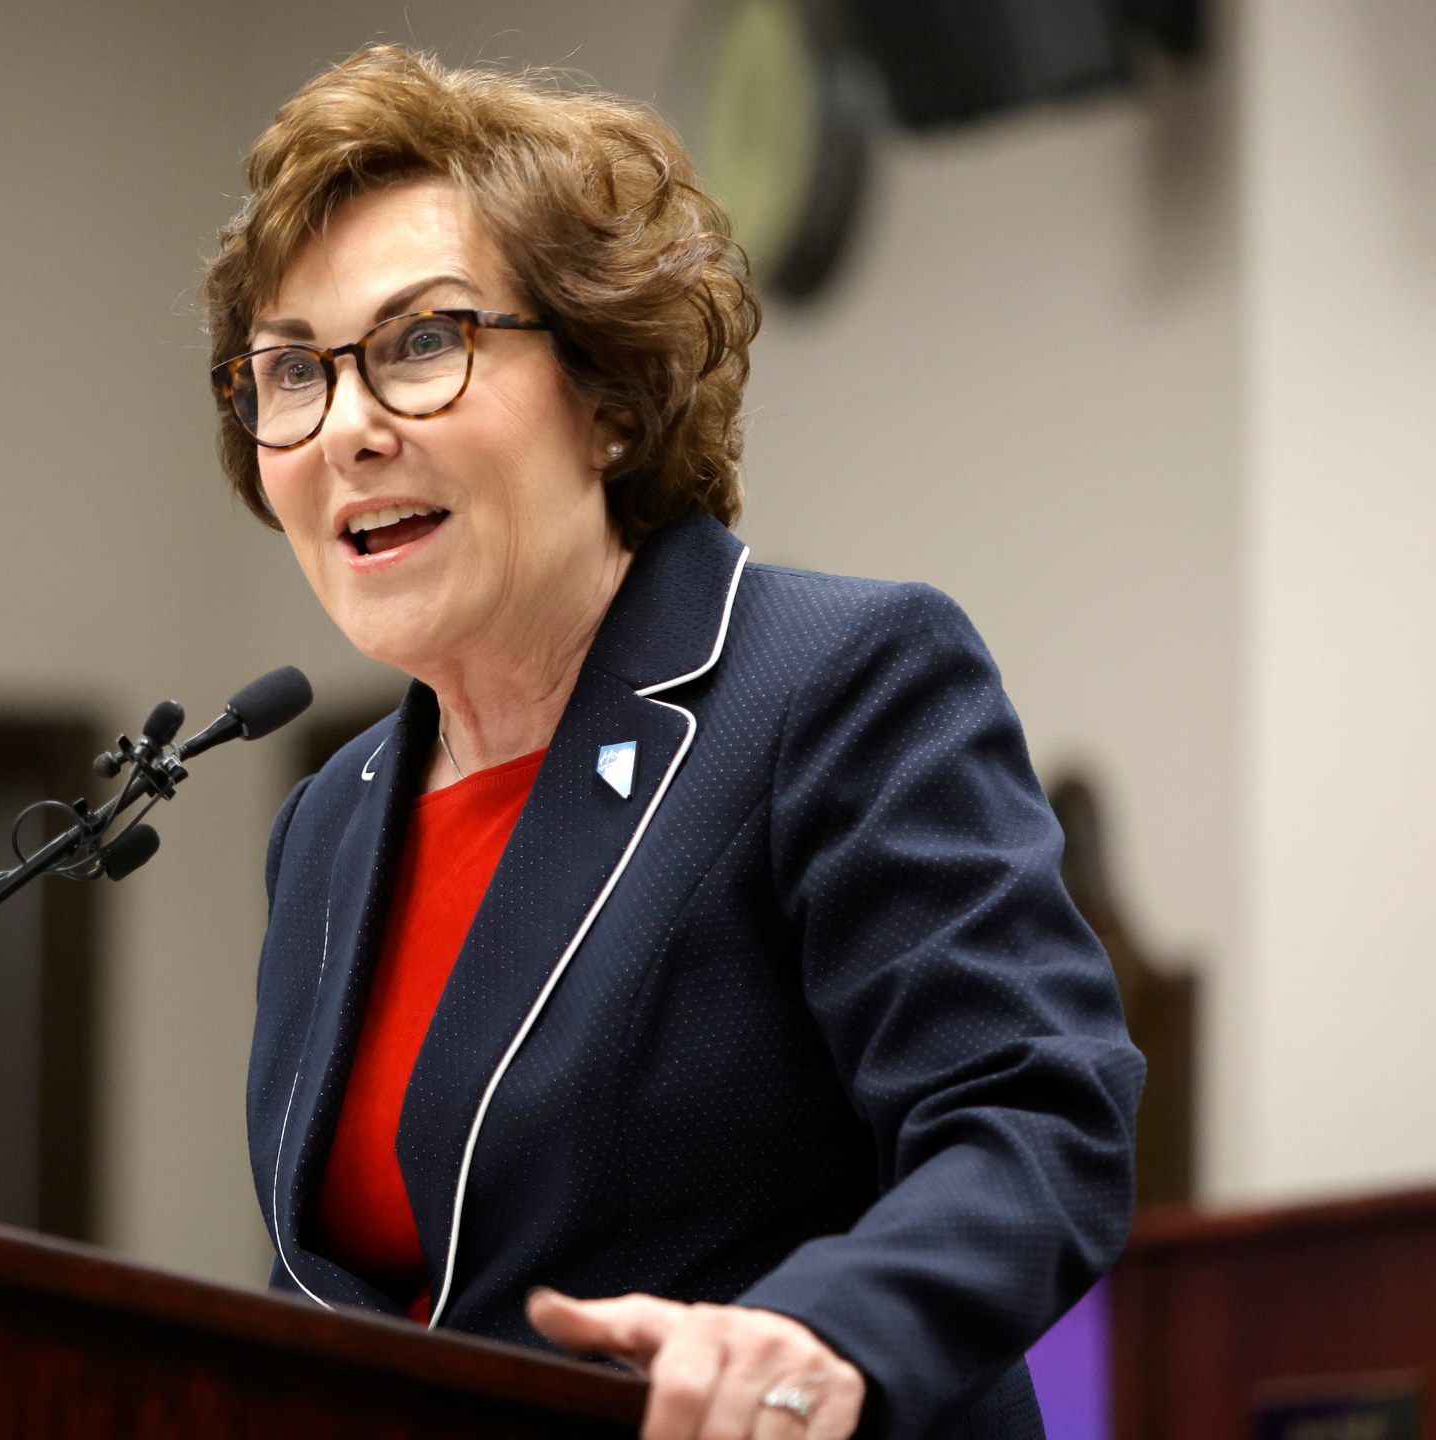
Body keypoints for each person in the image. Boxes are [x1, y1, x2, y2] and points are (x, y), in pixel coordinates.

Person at [207, 47, 1142, 1440]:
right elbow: (341, 1287)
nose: (346, 428)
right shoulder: (333, 819)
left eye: (420, 343)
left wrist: (826, 1337)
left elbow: (1031, 1117)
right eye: (292, 371)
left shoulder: (831, 683)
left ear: (610, 397)